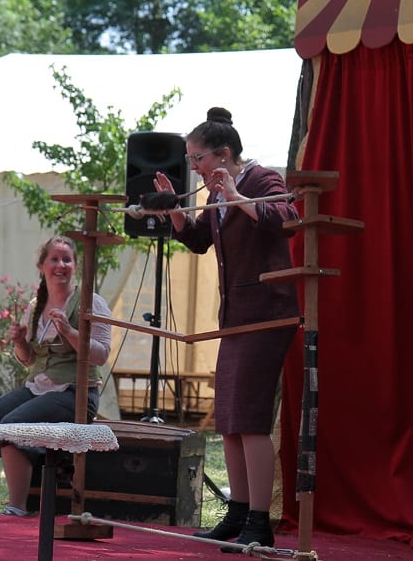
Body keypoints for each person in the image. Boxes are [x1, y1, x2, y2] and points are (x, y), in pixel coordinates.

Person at [154, 107, 300, 550]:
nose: (194, 167)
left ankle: (259, 520)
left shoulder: (262, 179)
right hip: (236, 317)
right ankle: (238, 512)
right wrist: (175, 210)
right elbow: (200, 240)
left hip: (267, 313)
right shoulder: (214, 193)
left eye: (197, 158)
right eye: (190, 159)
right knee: (231, 421)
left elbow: (285, 219)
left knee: (251, 419)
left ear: (223, 154)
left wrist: (235, 195)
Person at [0, 235, 112, 516]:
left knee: (14, 426)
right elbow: (29, 360)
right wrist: (19, 342)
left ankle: (17, 508)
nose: (61, 265)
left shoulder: (91, 303)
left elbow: (101, 355)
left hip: (76, 393)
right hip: (38, 388)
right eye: (54, 259)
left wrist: (70, 333)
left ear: (75, 266)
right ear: (42, 266)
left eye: (67, 260)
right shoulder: (36, 305)